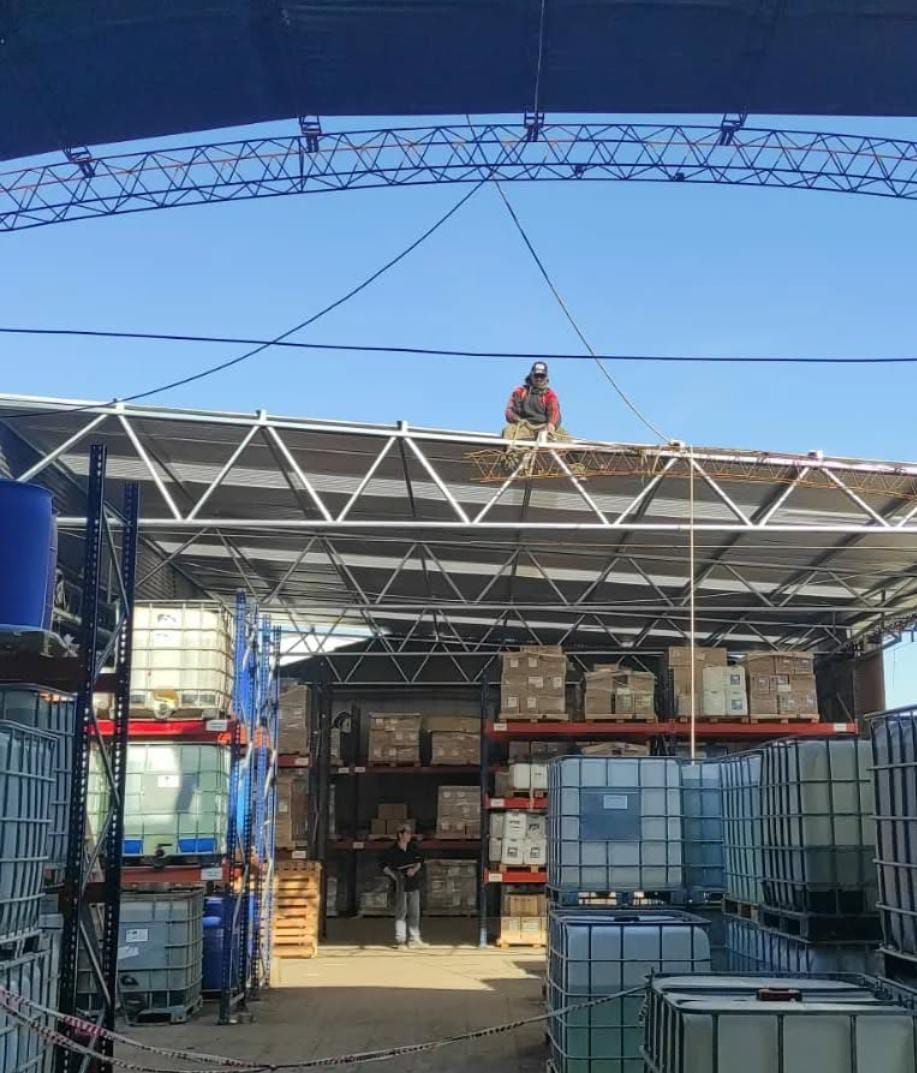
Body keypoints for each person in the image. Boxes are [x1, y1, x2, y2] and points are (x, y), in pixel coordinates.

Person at [503, 361, 582, 471]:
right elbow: (509, 410)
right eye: (536, 375)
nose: (539, 379)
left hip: (545, 426)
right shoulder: (520, 391)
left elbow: (554, 411)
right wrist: (516, 419)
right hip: (525, 425)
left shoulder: (549, 394)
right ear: (531, 375)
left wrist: (551, 424)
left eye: (541, 376)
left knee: (565, 438)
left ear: (545, 377)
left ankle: (576, 467)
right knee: (508, 431)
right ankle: (510, 459)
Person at [381, 825, 426, 949]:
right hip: (401, 883)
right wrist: (394, 876)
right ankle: (400, 940)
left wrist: (414, 869)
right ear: (400, 835)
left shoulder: (413, 848)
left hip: (413, 882)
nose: (409, 835)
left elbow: (420, 861)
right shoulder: (392, 850)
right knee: (401, 912)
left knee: (415, 911)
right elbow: (383, 865)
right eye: (407, 833)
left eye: (410, 833)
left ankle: (414, 938)